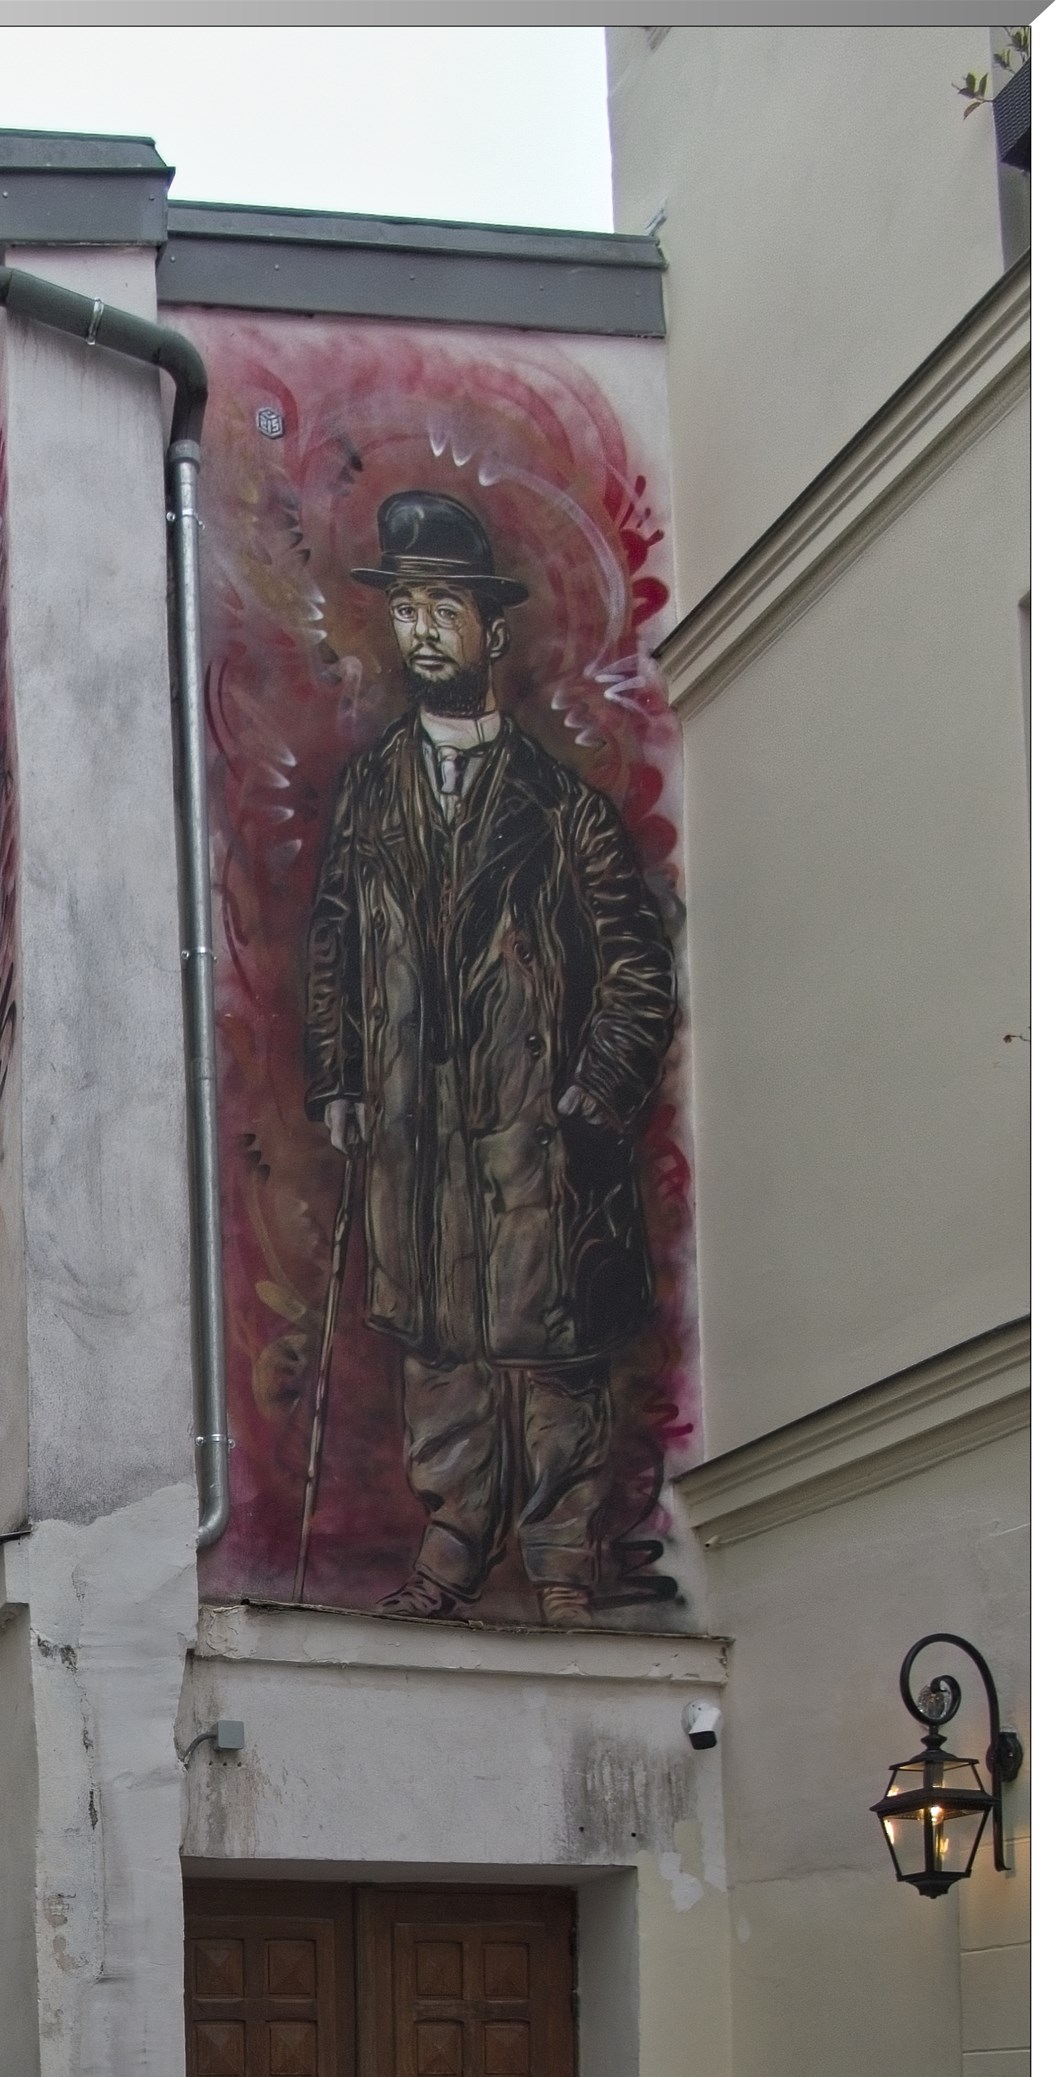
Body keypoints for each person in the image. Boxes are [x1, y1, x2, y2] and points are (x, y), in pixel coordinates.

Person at [303, 488, 678, 1626]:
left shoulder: (564, 809)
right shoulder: (370, 794)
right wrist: (340, 1076)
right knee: (440, 1348)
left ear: (492, 630)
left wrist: (592, 1096)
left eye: (444, 609)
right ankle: (454, 1548)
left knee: (553, 1355)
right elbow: (334, 942)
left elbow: (637, 967)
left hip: (536, 1134)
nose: (421, 632)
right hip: (414, 1129)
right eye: (406, 608)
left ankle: (561, 1564)